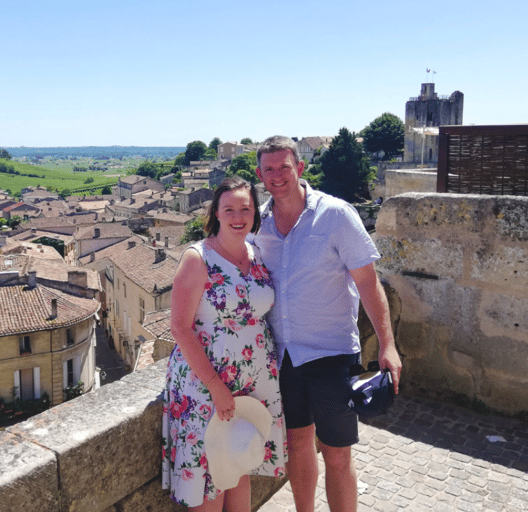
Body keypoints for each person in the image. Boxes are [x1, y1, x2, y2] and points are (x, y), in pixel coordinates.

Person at [251, 136, 402, 512]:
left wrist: (388, 344)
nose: (276, 176)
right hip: (282, 356)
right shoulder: (259, 223)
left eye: (284, 167)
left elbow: (368, 282)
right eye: (268, 169)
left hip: (331, 353)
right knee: (298, 445)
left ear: (300, 168)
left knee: (337, 455)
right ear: (259, 175)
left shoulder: (335, 215)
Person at [162, 176, 287, 512]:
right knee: (210, 479)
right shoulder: (197, 258)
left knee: (238, 468)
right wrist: (216, 386)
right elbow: (180, 328)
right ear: (215, 213)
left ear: (254, 214)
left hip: (252, 382)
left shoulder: (257, 252)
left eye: (245, 208)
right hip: (207, 384)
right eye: (229, 208)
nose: (238, 216)